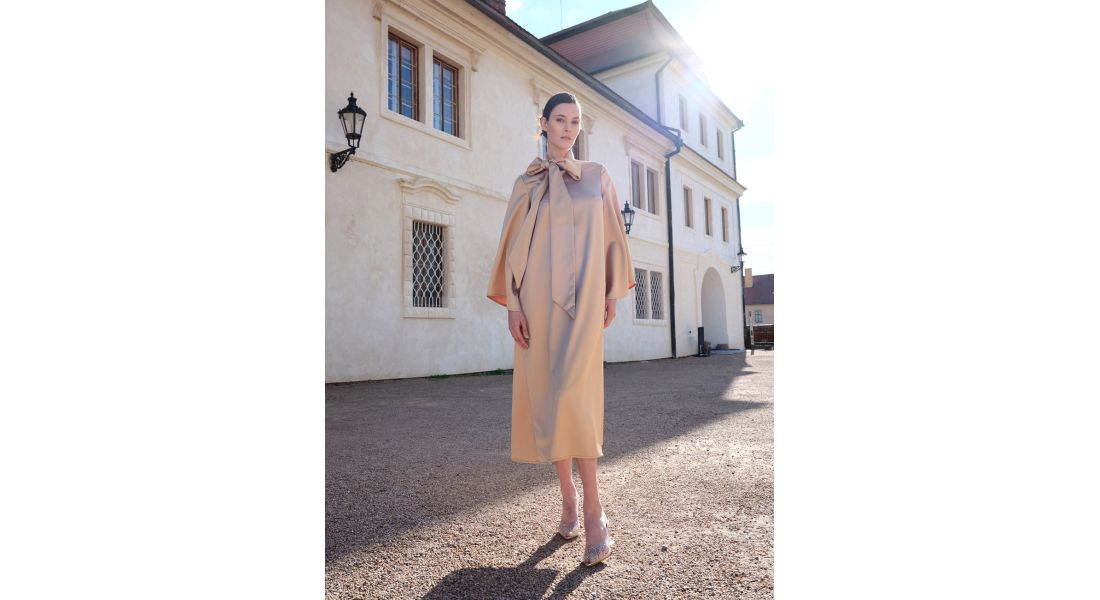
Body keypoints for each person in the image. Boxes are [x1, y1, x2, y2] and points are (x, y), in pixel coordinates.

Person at [486, 92, 636, 567]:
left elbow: (613, 237)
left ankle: (594, 511)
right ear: (544, 124)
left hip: (585, 301)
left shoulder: (597, 176)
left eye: (575, 121)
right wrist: (513, 305)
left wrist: (611, 293)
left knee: (574, 394)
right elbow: (511, 247)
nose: (569, 128)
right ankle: (568, 500)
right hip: (535, 303)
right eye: (560, 120)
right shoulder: (526, 182)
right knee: (552, 399)